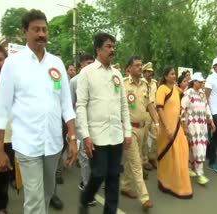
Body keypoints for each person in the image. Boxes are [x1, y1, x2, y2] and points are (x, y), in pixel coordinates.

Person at [0, 9, 77, 214]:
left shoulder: (56, 63)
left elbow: (66, 105)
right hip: (27, 145)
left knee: (48, 192)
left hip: (53, 144)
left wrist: (73, 138)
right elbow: (1, 110)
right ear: (25, 32)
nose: (42, 34)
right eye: (36, 29)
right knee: (33, 200)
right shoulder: (13, 64)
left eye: (44, 29)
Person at [77, 32, 131, 214]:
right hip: (96, 136)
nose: (112, 50)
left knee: (113, 177)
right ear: (98, 49)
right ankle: (85, 197)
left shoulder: (117, 74)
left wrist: (128, 132)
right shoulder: (87, 73)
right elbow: (81, 106)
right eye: (108, 46)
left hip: (116, 135)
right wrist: (85, 135)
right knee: (99, 174)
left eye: (113, 46)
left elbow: (124, 105)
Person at [120, 56, 159, 210]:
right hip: (129, 129)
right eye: (136, 65)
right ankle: (144, 198)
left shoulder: (145, 85)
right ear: (129, 68)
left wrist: (156, 122)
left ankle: (124, 185)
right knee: (136, 163)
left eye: (140, 65)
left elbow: (150, 105)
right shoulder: (123, 84)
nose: (139, 68)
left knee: (131, 160)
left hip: (143, 127)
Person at [156, 66, 193, 199]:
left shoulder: (177, 90)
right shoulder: (162, 89)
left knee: (182, 154)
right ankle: (166, 183)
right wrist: (167, 128)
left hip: (177, 129)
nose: (174, 76)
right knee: (169, 157)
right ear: (166, 76)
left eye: (175, 74)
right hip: (167, 130)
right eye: (172, 74)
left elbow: (181, 106)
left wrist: (183, 123)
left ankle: (180, 186)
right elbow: (159, 109)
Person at [181, 72, 215, 185]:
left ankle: (190, 167)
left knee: (193, 147)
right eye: (200, 82)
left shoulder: (202, 94)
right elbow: (182, 109)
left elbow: (207, 108)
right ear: (194, 82)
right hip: (192, 125)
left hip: (202, 125)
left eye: (202, 82)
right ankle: (200, 174)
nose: (201, 84)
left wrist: (211, 121)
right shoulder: (188, 93)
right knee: (199, 147)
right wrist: (184, 124)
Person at [69, 53, 94, 195]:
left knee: (95, 155)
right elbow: (70, 105)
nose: (90, 65)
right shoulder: (74, 82)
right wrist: (71, 129)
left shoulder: (97, 79)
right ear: (81, 66)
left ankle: (93, 181)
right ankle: (86, 187)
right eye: (87, 63)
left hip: (96, 123)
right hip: (80, 123)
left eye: (92, 62)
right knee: (84, 156)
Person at [0, 45, 14, 214]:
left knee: (3, 180)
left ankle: (2, 209)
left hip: (8, 139)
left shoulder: (11, 85)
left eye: (0, 59)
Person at [142, 62, 158, 170]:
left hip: (154, 112)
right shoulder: (141, 82)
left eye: (151, 72)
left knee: (156, 135)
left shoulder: (154, 83)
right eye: (148, 72)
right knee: (144, 137)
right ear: (144, 72)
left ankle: (152, 156)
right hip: (144, 112)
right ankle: (144, 160)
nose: (150, 74)